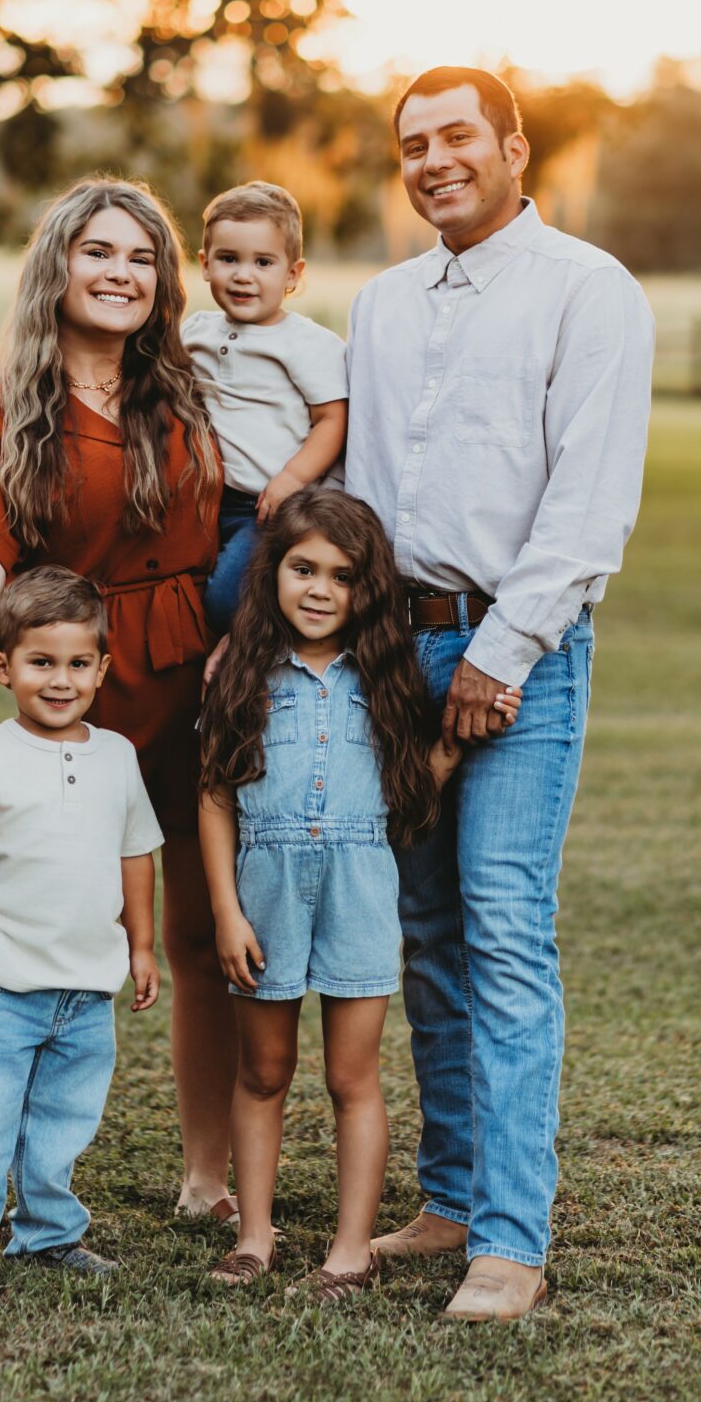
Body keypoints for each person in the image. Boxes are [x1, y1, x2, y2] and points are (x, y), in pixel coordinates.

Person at [346, 66, 654, 1323]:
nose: (432, 160)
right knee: (422, 932)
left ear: (515, 145)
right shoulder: (379, 302)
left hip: (516, 653)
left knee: (504, 928)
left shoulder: (589, 290)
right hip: (391, 652)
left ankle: (511, 1241)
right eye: (412, 143)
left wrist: (500, 652)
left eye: (457, 134)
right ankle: (454, 1193)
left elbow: (589, 500)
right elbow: (362, 488)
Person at [0, 178, 239, 1225]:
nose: (120, 272)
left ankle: (207, 1175)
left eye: (140, 257)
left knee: (194, 931)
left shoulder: (193, 391)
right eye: (98, 251)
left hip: (190, 677)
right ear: (57, 263)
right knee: (30, 925)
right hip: (69, 691)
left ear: (162, 281)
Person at [197, 487, 520, 1300]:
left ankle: (349, 1251)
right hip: (263, 889)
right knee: (263, 1071)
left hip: (359, 891)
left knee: (353, 1079)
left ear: (365, 591)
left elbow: (410, 800)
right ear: (271, 572)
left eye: (341, 577)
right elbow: (213, 796)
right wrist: (226, 912)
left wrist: (458, 736)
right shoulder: (239, 671)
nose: (317, 590)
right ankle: (255, 1237)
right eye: (302, 569)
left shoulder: (386, 679)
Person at [0, 567, 163, 1289]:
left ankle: (47, 1235)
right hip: (0, 984)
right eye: (41, 662)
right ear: (1, 666)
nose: (60, 679)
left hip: (85, 989)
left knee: (61, 1125)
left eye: (78, 663)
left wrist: (141, 945)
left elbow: (135, 852)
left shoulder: (116, 756)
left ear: (102, 668)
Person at [183, 181, 348, 633]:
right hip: (209, 500)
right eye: (228, 259)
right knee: (189, 591)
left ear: (292, 274)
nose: (243, 275)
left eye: (263, 263)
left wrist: (291, 480)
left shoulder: (306, 344)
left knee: (224, 601)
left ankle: (256, 652)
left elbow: (332, 420)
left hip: (273, 504)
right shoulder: (195, 333)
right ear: (204, 264)